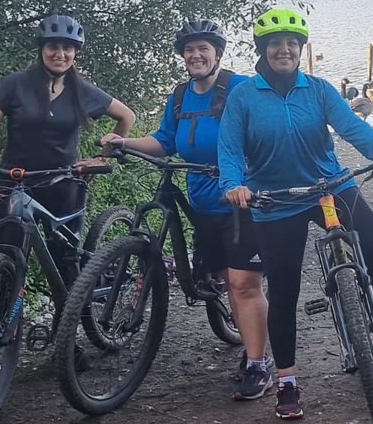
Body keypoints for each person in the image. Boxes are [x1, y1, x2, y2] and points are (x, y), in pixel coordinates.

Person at [220, 7, 373, 420]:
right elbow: (231, 149)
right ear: (263, 50)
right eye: (275, 44)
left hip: (330, 186)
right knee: (285, 290)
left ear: (301, 49)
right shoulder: (243, 96)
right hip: (274, 200)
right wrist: (233, 184)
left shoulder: (319, 89)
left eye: (292, 43)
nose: (284, 50)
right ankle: (288, 381)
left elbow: (351, 127)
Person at [101, 20, 272, 401]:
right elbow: (165, 142)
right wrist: (124, 142)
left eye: (203, 49)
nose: (196, 55)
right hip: (202, 202)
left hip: (243, 200)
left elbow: (267, 130)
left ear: (218, 54)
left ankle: (258, 363)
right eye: (189, 50)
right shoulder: (179, 96)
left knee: (242, 283)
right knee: (223, 278)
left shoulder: (240, 87)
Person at [0, 15, 134, 346]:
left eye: (68, 48)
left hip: (64, 186)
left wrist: (103, 156)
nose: (61, 54)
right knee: (6, 264)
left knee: (66, 265)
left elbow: (126, 116)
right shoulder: (15, 84)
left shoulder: (81, 91)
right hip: (17, 182)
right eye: (54, 47)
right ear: (42, 49)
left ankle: (66, 345)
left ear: (76, 53)